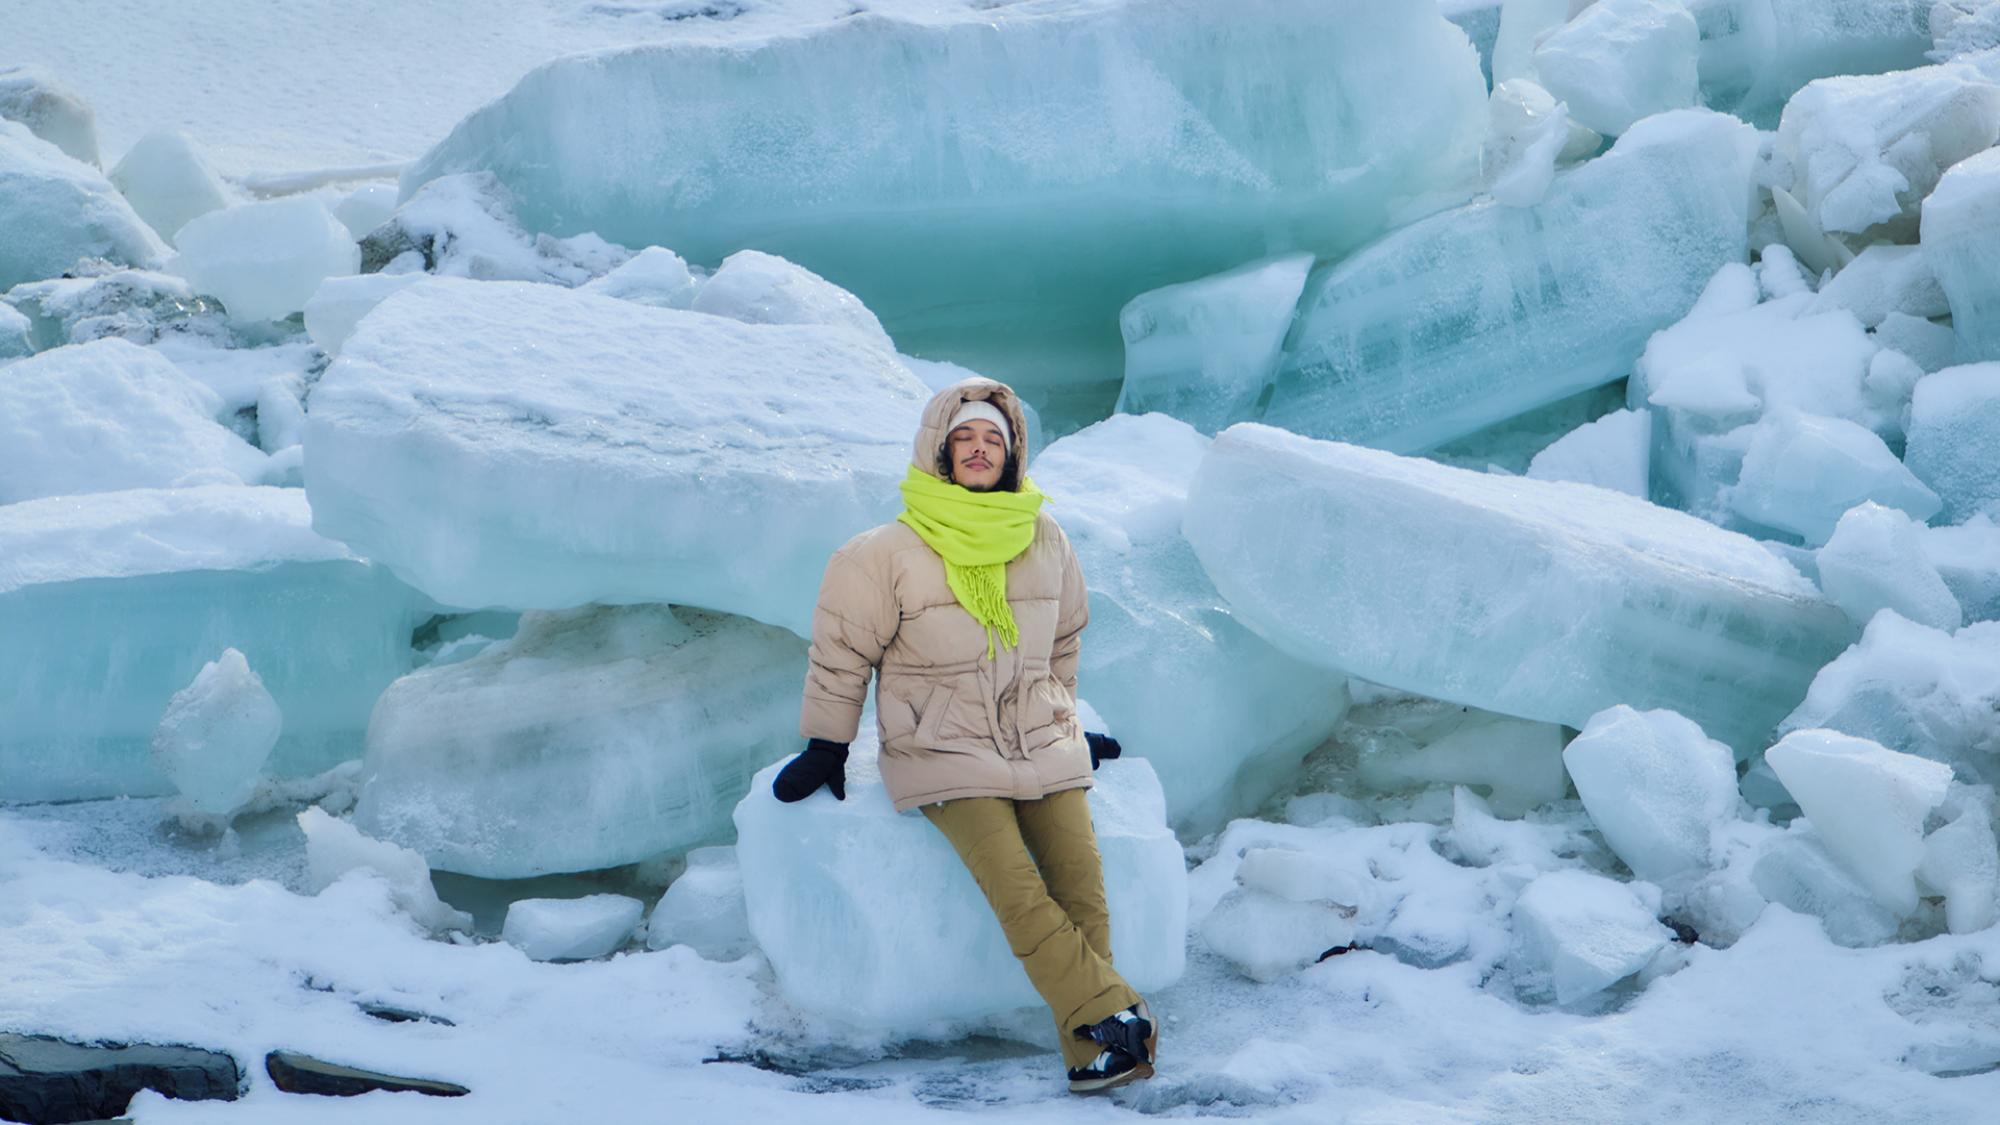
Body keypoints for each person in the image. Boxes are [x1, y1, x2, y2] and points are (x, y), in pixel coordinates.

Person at [773, 376, 1157, 1093]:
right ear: (941, 451)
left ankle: (1093, 1053)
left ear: (1012, 456)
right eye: (965, 438)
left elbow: (1064, 635)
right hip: (942, 749)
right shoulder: (884, 551)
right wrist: (827, 742)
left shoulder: (1043, 536)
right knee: (1019, 890)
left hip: (1037, 737)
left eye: (994, 440)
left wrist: (1061, 709)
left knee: (1083, 888)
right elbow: (842, 650)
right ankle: (1115, 1011)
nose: (980, 450)